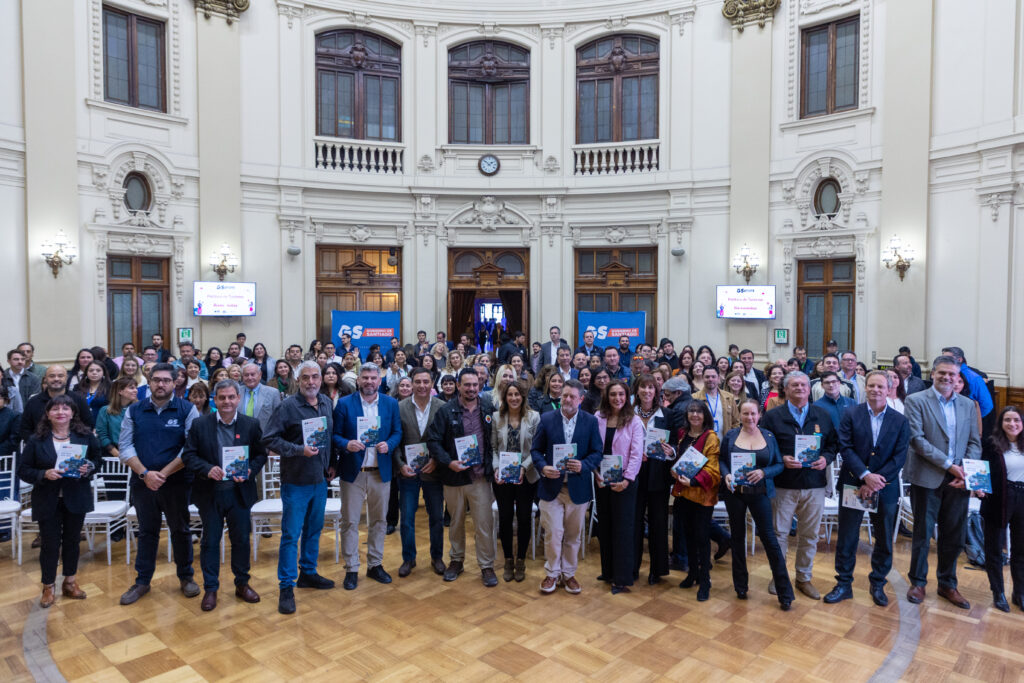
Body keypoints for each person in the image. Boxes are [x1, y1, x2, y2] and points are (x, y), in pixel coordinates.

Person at [824, 371, 911, 607]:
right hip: (854, 483)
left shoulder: (900, 420)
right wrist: (865, 476)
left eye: (880, 386)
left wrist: (876, 480)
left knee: (883, 538)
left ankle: (878, 583)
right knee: (847, 537)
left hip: (886, 487)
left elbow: (900, 456)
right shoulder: (850, 414)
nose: (875, 390)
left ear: (889, 389)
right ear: (865, 388)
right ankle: (843, 583)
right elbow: (845, 446)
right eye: (871, 385)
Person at [117, 363, 201, 605]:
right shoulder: (134, 410)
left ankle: (186, 577)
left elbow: (190, 448)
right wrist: (145, 474)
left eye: (166, 380)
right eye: (156, 380)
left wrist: (162, 474)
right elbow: (125, 447)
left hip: (176, 483)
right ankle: (142, 581)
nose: (160, 384)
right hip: (143, 483)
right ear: (149, 381)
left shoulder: (187, 410)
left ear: (175, 382)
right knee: (147, 532)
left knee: (181, 530)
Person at [180, 379, 267, 611]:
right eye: (222, 398)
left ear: (238, 399)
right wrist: (207, 469)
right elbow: (188, 456)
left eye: (231, 397)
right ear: (215, 400)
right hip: (210, 494)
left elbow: (261, 455)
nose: (227, 402)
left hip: (239, 493)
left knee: (240, 541)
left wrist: (250, 470)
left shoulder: (251, 424)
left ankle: (242, 584)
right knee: (209, 543)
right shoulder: (200, 424)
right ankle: (211, 588)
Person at [904, 355, 982, 609]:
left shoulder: (968, 405)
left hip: (958, 482)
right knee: (923, 534)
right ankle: (918, 582)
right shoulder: (916, 401)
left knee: (954, 536)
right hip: (927, 477)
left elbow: (974, 441)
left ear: (958, 377)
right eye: (942, 373)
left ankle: (948, 584)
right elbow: (917, 440)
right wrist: (951, 467)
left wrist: (966, 472)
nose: (947, 378)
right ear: (933, 374)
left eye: (952, 374)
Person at [262, 361, 336, 614]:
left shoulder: (326, 403)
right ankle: (286, 586)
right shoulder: (287, 406)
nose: (311, 382)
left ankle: (308, 572)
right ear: (298, 379)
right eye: (306, 377)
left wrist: (332, 464)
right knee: (291, 534)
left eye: (316, 377)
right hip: (295, 480)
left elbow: (329, 437)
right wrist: (298, 450)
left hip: (320, 480)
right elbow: (269, 438)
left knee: (314, 530)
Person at [17, 395, 103, 607]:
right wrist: (43, 474)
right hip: (47, 499)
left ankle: (70, 581)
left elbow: (97, 461)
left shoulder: (85, 436)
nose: (60, 412)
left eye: (65, 408)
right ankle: (48, 586)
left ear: (73, 413)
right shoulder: (36, 440)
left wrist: (88, 467)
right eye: (55, 409)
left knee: (73, 541)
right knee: (49, 544)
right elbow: (23, 470)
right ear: (48, 414)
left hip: (76, 497)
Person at [760, 371, 838, 600]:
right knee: (779, 533)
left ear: (809, 388)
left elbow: (833, 445)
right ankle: (779, 575)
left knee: (810, 535)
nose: (800, 388)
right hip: (784, 484)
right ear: (785, 389)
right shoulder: (772, 416)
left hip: (814, 484)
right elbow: (764, 447)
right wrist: (781, 458)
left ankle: (803, 577)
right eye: (794, 385)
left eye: (804, 384)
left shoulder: (822, 415)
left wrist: (826, 458)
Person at [332, 362, 402, 590]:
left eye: (374, 378)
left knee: (379, 520)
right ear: (358, 380)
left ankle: (375, 564)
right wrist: (347, 444)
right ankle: (352, 568)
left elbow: (397, 432)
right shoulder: (344, 404)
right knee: (350, 521)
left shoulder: (391, 404)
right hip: (353, 472)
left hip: (380, 472)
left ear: (379, 381)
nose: (370, 381)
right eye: (366, 378)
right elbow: (334, 436)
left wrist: (389, 445)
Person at [720, 398, 794, 610]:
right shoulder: (731, 435)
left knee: (770, 540)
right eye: (745, 414)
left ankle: (784, 592)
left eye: (753, 414)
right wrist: (725, 474)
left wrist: (763, 472)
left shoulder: (769, 436)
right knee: (737, 537)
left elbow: (779, 464)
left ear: (759, 415)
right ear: (740, 415)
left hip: (760, 493)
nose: (749, 418)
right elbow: (722, 460)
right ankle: (740, 586)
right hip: (735, 493)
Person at [426, 369, 498, 586]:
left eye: (475, 384)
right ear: (458, 386)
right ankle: (456, 560)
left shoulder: (488, 408)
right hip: (454, 477)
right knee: (456, 522)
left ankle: (486, 565)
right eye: (467, 385)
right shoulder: (446, 411)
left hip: (481, 479)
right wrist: (449, 462)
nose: (472, 389)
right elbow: (433, 441)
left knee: (484, 524)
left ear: (480, 385)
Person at [531, 379, 603, 594]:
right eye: (564, 395)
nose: (567, 400)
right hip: (551, 487)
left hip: (578, 488)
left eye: (572, 396)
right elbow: (536, 451)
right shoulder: (546, 419)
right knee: (553, 533)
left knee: (573, 536)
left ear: (581, 399)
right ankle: (552, 574)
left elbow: (597, 452)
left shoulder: (590, 422)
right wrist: (543, 468)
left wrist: (584, 465)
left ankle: (569, 574)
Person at [591, 380, 643, 594]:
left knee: (623, 529)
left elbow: (636, 453)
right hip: (602, 480)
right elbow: (593, 448)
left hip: (625, 482)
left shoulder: (634, 421)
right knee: (605, 526)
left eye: (621, 394)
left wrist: (627, 480)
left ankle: (622, 578)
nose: (617, 398)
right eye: (613, 394)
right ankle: (608, 570)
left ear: (627, 396)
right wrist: (595, 473)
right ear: (607, 396)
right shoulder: (598, 417)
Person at [395, 368, 447, 577]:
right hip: (407, 472)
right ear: (412, 383)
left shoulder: (442, 407)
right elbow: (395, 440)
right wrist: (399, 464)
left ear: (432, 383)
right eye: (418, 382)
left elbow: (447, 440)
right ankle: (409, 558)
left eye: (426, 381)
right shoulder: (399, 408)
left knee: (436, 516)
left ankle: (437, 557)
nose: (422, 385)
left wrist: (437, 460)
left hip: (434, 472)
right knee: (406, 518)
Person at [490, 380, 540, 582]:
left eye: (517, 394)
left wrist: (523, 467)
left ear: (523, 396)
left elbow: (537, 448)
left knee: (524, 517)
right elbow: (493, 448)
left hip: (527, 476)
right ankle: (508, 559)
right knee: (505, 517)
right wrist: (495, 468)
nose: (513, 398)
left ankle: (521, 560)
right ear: (504, 397)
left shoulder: (534, 417)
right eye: (510, 394)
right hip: (502, 477)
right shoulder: (496, 417)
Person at [672, 400, 721, 601]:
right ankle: (692, 573)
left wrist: (693, 481)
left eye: (699, 412)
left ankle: (705, 579)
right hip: (683, 493)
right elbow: (680, 459)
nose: (694, 415)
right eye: (691, 411)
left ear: (705, 415)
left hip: (701, 495)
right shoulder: (682, 433)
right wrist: (673, 468)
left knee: (702, 538)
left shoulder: (711, 437)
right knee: (687, 536)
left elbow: (713, 469)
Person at [632, 374, 677, 584]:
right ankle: (632, 567)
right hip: (634, 473)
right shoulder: (628, 413)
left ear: (656, 391)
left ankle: (657, 570)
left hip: (659, 475)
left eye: (651, 387)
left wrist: (671, 451)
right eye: (643, 387)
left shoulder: (667, 414)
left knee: (658, 523)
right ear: (637, 390)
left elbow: (677, 442)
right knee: (634, 522)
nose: (647, 391)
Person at [981, 406, 1024, 612]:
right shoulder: (991, 444)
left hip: (1022, 499)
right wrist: (979, 488)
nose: (1012, 424)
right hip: (998, 499)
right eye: (1007, 420)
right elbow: (980, 469)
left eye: (1016, 420)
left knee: (1021, 549)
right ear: (1001, 423)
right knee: (995, 548)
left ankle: (1020, 592)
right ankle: (998, 592)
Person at [20, 365, 94, 444]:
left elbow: (88, 425)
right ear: (45, 378)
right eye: (52, 376)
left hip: (74, 447)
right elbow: (25, 429)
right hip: (41, 448)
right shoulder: (33, 402)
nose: (56, 379)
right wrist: (37, 445)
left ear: (66, 378)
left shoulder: (79, 400)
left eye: (60, 376)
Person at [693, 366, 737, 441]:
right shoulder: (694, 398)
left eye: (713, 376)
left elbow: (736, 422)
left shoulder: (729, 397)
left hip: (725, 441)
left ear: (718, 378)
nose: (710, 379)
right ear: (703, 378)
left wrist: (731, 439)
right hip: (703, 442)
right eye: (707, 377)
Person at [241, 363, 282, 431]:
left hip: (264, 436)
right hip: (240, 435)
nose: (250, 377)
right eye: (246, 375)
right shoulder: (236, 392)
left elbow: (278, 418)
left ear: (260, 375)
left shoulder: (273, 393)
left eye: (253, 374)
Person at [4, 348, 41, 415]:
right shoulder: (3, 377)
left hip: (27, 414)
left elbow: (36, 399)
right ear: (8, 361)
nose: (20, 362)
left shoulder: (33, 378)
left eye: (22, 359)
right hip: (6, 415)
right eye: (16, 359)